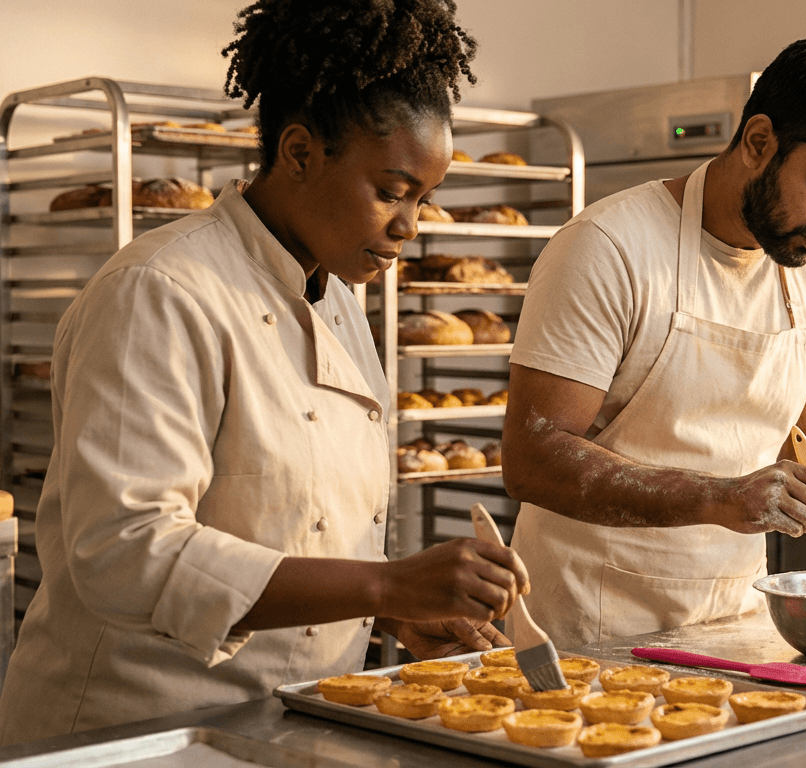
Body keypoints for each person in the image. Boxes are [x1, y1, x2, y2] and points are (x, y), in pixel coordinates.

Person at [0, 0, 529, 744]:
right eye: (391, 191)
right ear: (301, 152)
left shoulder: (341, 299)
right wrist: (387, 582)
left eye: (425, 199)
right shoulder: (159, 292)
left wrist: (396, 610)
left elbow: (297, 525)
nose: (411, 227)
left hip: (279, 721)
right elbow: (125, 550)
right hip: (132, 732)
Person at [503, 35, 806, 648]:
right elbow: (534, 458)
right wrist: (718, 498)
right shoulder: (608, 248)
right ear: (758, 143)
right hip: (588, 628)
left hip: (735, 621)